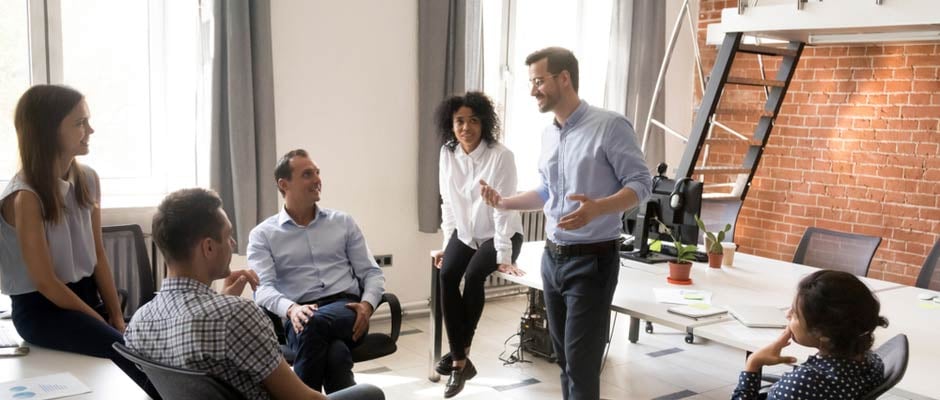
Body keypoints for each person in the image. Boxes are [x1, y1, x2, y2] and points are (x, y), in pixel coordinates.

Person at [480, 47, 652, 400]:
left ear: (564, 78)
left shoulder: (609, 126)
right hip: (552, 258)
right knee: (563, 361)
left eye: (538, 81)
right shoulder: (550, 135)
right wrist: (505, 201)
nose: (533, 91)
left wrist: (599, 208)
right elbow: (546, 191)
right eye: (531, 83)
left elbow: (641, 184)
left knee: (581, 364)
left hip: (592, 260)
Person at [125, 188, 384, 400]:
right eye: (227, 236)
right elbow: (302, 399)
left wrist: (224, 301)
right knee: (370, 393)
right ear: (208, 247)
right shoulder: (236, 315)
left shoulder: (139, 323)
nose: (233, 244)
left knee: (336, 351)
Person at [0, 84, 159, 399]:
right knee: (135, 361)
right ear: (49, 130)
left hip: (84, 298)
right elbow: (46, 283)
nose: (91, 130)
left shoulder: (88, 180)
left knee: (138, 355)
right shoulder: (25, 197)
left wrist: (115, 314)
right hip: (42, 311)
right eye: (80, 123)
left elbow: (98, 253)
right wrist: (100, 321)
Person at [249, 149, 386, 394]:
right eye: (307, 174)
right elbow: (263, 289)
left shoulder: (343, 222)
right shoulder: (263, 234)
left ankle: (295, 398)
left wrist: (367, 305)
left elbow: (371, 273)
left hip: (347, 311)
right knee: (335, 354)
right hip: (298, 314)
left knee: (314, 326)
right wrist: (291, 309)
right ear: (284, 184)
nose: (317, 180)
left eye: (317, 173)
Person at [431, 92, 525, 398]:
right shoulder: (448, 153)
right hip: (466, 233)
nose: (466, 127)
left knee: (472, 277)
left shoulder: (501, 155)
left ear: (484, 122)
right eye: (460, 121)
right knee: (445, 276)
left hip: (503, 232)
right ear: (452, 124)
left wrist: (503, 254)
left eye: (473, 120)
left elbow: (503, 208)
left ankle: (458, 360)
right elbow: (447, 202)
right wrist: (448, 244)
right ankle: (461, 360)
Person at [731, 270, 889, 399]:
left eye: (795, 315)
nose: (787, 314)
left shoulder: (801, 385)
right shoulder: (871, 362)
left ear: (824, 333)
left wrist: (753, 364)